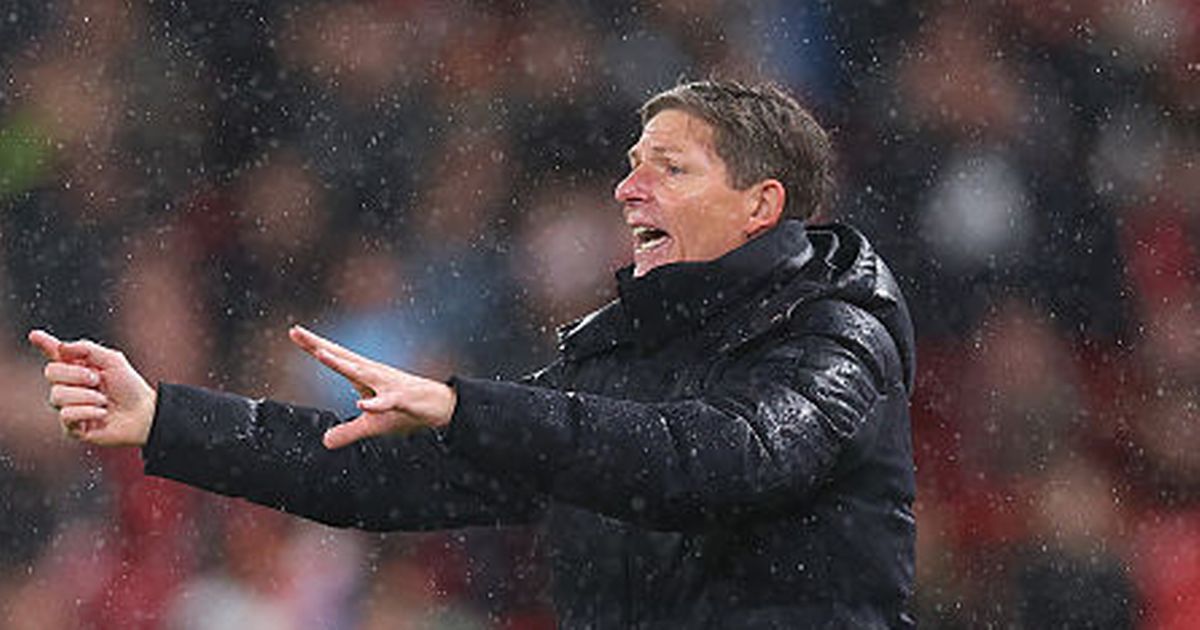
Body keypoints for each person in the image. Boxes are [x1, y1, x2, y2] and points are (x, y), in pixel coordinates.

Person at [31, 80, 917, 628]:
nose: (627, 187)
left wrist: (466, 407)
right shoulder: (615, 358)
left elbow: (722, 459)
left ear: (762, 206)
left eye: (670, 168)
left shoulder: (839, 335)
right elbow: (371, 475)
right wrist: (165, 419)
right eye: (632, 163)